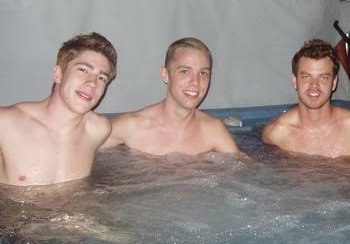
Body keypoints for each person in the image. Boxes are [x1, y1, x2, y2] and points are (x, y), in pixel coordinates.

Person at [0, 33, 117, 186]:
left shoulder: (98, 129)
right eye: (83, 70)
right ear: (58, 74)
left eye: (101, 78)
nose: (92, 83)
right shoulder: (6, 124)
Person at [103, 37, 238, 155]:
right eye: (185, 71)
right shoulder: (131, 127)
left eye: (203, 73)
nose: (195, 82)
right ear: (165, 75)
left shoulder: (213, 131)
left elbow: (242, 172)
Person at [262, 39, 350, 157]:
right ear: (295, 81)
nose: (314, 86)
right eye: (306, 77)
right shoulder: (275, 135)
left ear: (334, 83)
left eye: (323, 78)